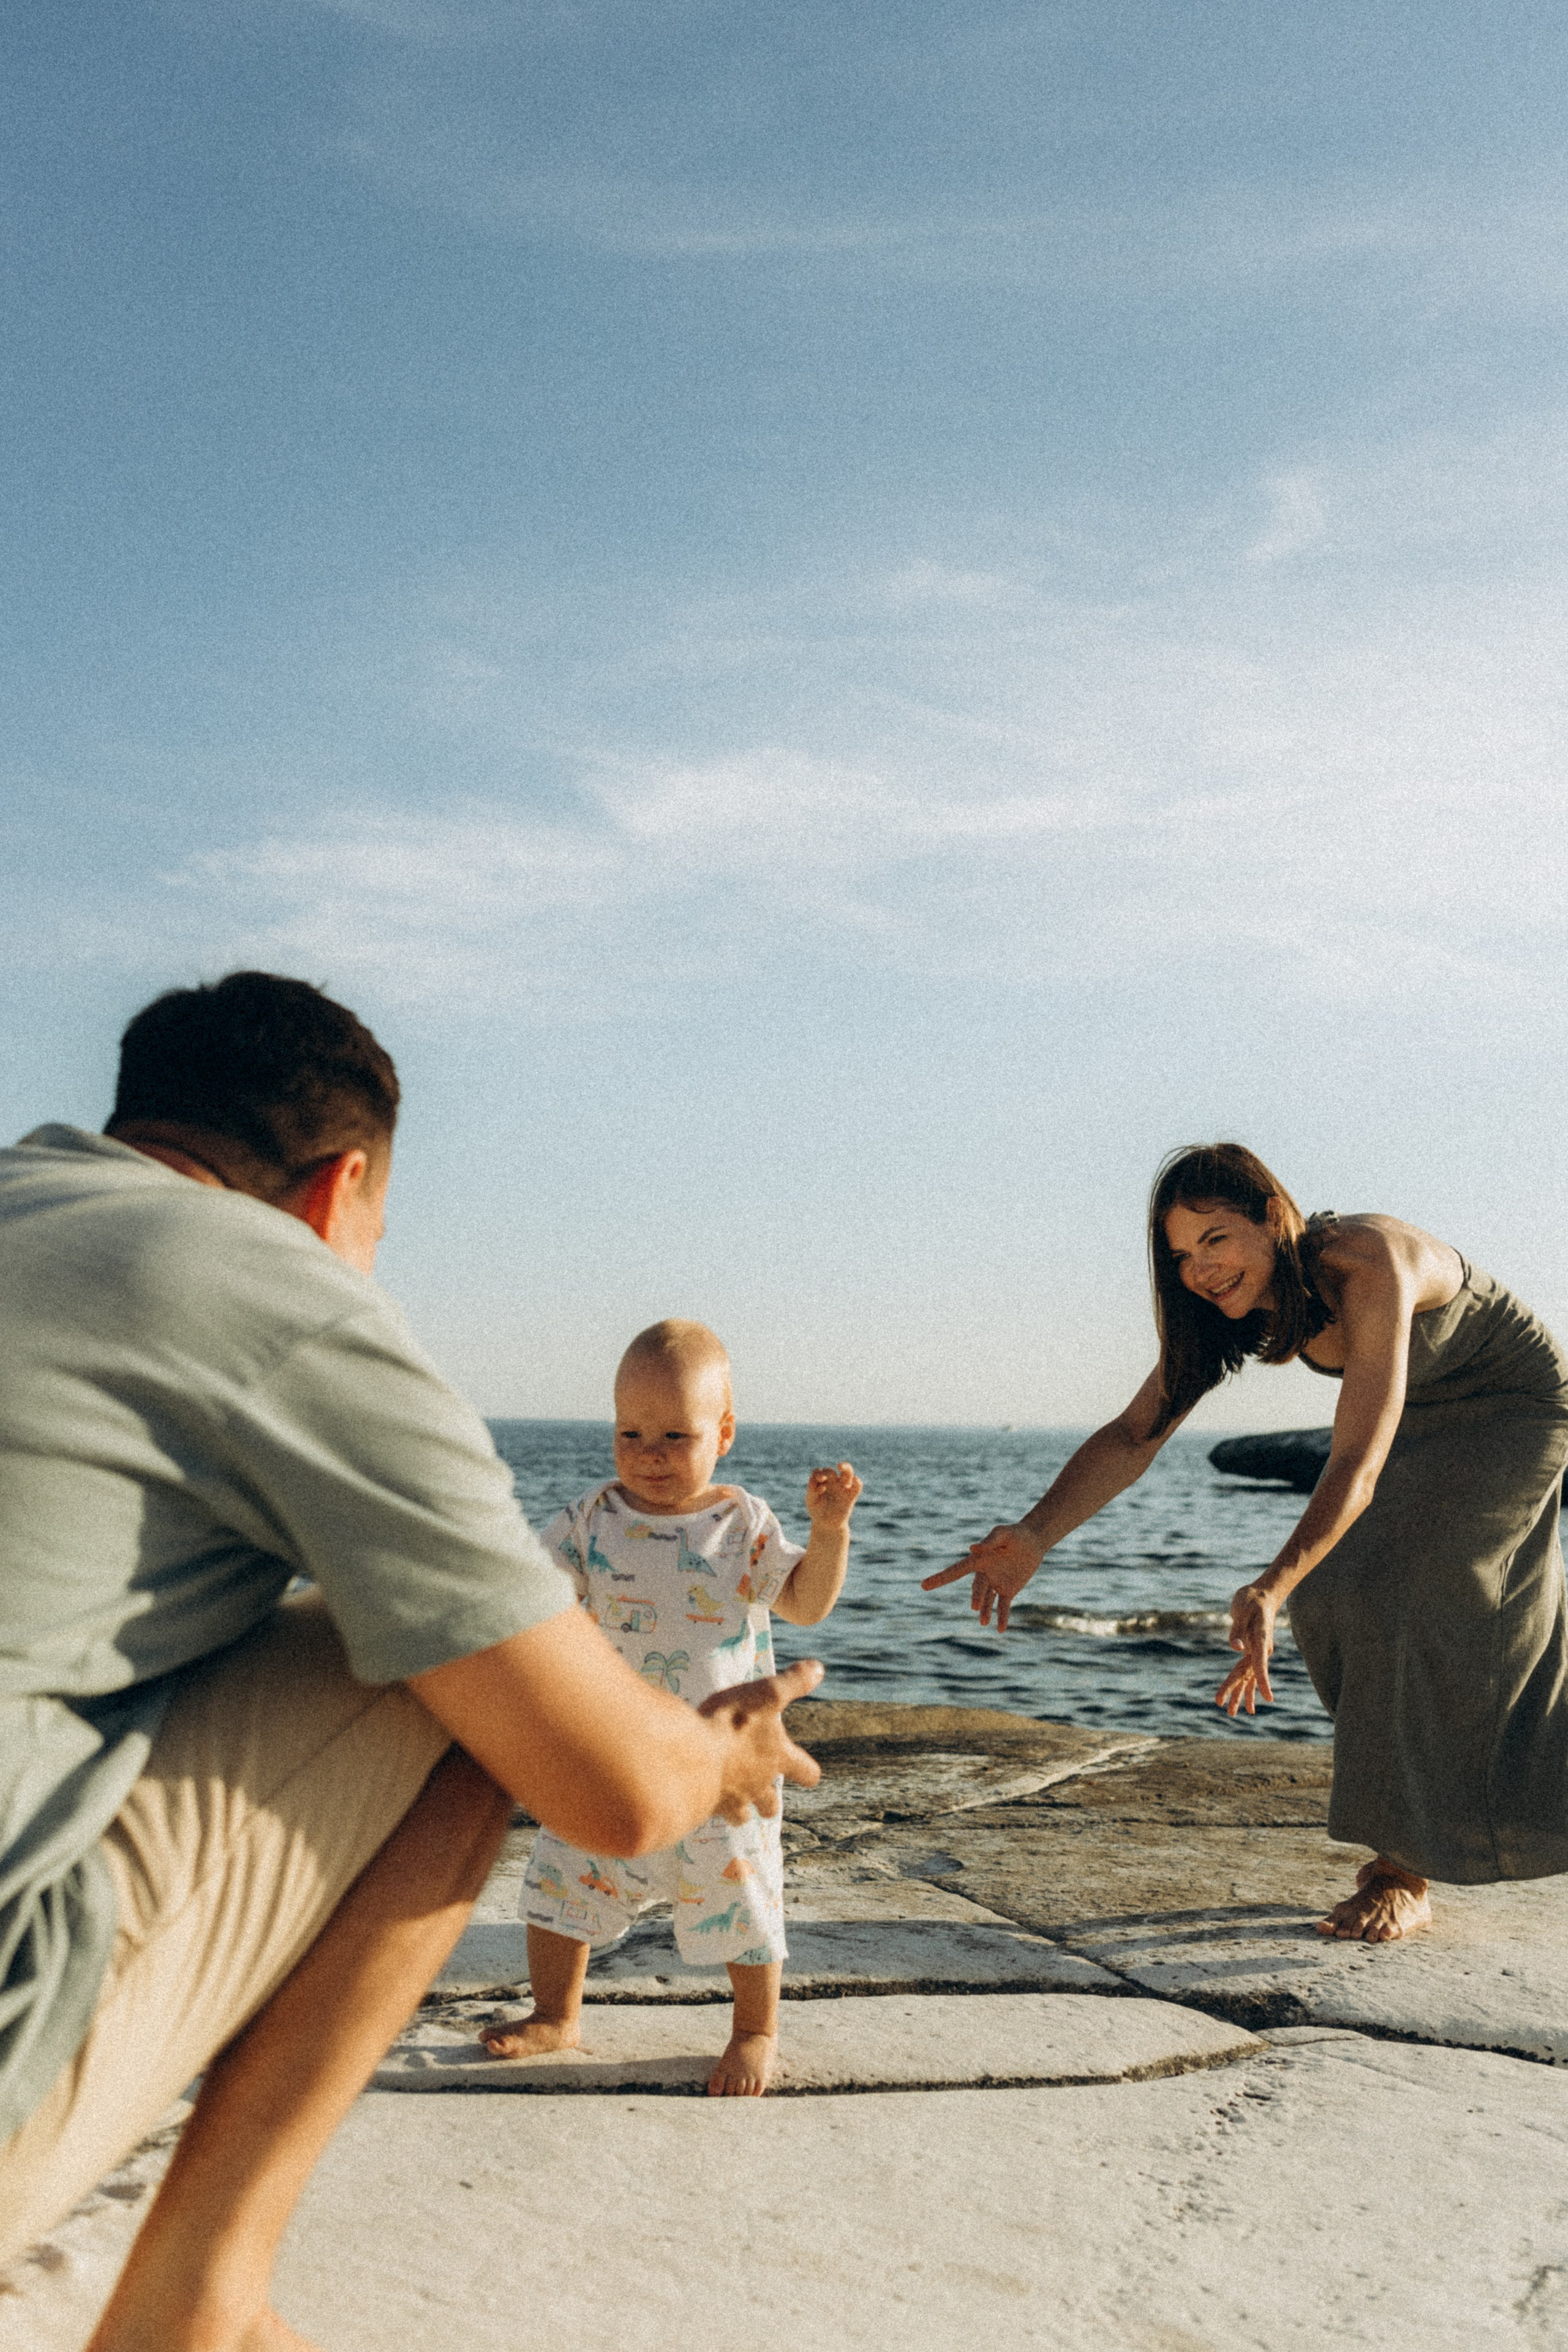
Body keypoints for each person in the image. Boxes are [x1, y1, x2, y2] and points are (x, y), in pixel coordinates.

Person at [0, 973, 823, 2352]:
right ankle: (195, 2307)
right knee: (458, 1674)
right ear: (341, 1187)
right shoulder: (271, 1285)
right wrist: (720, 1751)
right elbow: (607, 1790)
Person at [923, 1142, 1568, 1946]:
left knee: (1395, 1589)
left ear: (1273, 1216)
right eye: (1182, 1255)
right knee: (1333, 1596)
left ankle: (1403, 1872)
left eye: (1215, 1239)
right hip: (1408, 1418)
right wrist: (1034, 1534)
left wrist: (1270, 1583)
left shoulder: (1367, 1263)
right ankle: (1408, 1844)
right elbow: (1134, 1433)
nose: (1199, 1269)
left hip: (1508, 1411)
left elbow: (1356, 1463)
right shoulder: (1233, 1308)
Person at [480, 1319, 861, 2095]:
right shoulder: (592, 1521)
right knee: (561, 1878)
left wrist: (829, 1534)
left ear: (723, 1433)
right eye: (630, 1432)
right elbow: (533, 1599)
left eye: (675, 1435)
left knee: (742, 1896)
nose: (649, 1453)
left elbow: (808, 1605)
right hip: (611, 1752)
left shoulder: (742, 1525)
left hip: (722, 1766)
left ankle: (754, 2029)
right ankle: (556, 2012)